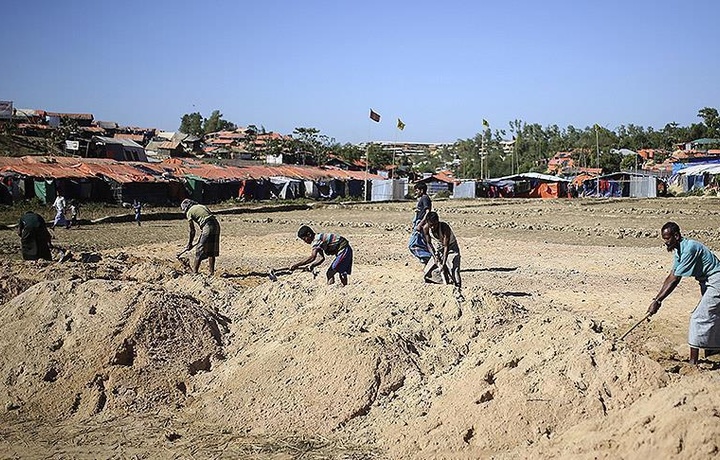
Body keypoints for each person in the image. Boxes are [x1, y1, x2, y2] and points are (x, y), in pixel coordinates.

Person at [647, 221, 720, 365]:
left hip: (716, 280)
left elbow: (675, 280)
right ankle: (712, 350)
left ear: (676, 235)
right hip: (706, 282)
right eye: (664, 239)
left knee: (698, 317)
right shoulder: (679, 250)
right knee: (712, 316)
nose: (666, 243)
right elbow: (671, 275)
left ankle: (693, 362)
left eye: (668, 239)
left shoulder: (689, 249)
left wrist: (658, 301)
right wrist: (656, 300)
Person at [419, 211, 463, 299]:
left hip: (451, 248)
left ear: (438, 221)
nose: (432, 227)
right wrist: (435, 257)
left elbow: (446, 246)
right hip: (438, 249)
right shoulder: (426, 228)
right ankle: (444, 287)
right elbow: (429, 244)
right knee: (428, 272)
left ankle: (458, 290)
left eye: (434, 224)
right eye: (430, 225)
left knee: (453, 269)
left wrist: (443, 263)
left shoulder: (444, 227)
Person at [180, 199, 220, 275]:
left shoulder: (189, 212)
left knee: (199, 249)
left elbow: (192, 231)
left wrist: (189, 244)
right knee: (211, 251)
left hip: (207, 226)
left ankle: (194, 272)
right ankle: (212, 273)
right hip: (216, 225)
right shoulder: (201, 206)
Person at [408, 182, 433, 264]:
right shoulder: (423, 198)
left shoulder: (425, 198)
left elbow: (428, 212)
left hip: (421, 224)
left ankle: (430, 258)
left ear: (421, 190)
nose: (416, 192)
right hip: (420, 223)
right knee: (423, 243)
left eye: (417, 190)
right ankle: (428, 262)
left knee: (413, 245)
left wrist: (420, 224)